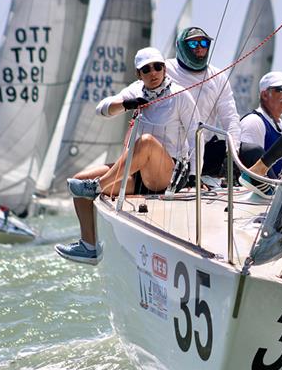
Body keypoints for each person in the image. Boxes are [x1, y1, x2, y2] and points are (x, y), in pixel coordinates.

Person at [54, 47, 199, 265]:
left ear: (164, 69)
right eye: (146, 69)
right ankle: (89, 246)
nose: (153, 72)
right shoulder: (136, 90)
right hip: (141, 173)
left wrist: (196, 177)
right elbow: (101, 109)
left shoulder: (180, 95)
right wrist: (126, 104)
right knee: (79, 181)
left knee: (147, 142)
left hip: (168, 175)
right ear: (138, 74)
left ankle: (98, 186)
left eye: (158, 67)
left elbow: (197, 136)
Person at [165, 27, 241, 178]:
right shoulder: (165, 69)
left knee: (252, 152)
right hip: (169, 154)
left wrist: (232, 154)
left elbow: (230, 118)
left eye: (204, 43)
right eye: (193, 44)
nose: (200, 48)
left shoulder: (218, 77)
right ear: (181, 46)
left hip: (204, 151)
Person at [238, 71, 282, 198]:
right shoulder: (254, 122)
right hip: (260, 197)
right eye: (280, 89)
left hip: (280, 193)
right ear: (265, 95)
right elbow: (248, 159)